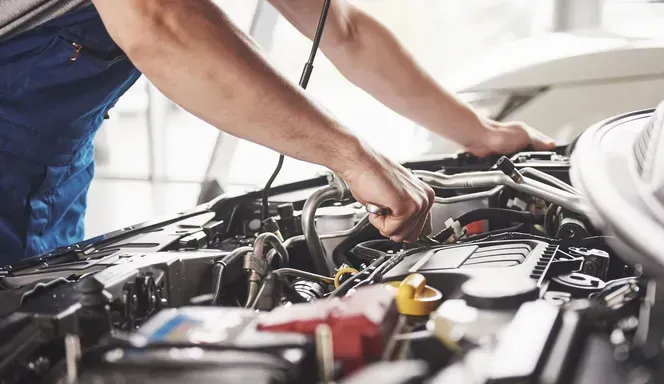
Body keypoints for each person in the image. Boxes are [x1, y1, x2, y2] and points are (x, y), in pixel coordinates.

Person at [0, 0, 555, 266]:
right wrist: (351, 156)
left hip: (47, 170)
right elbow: (160, 20)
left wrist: (480, 133)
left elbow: (345, 31)